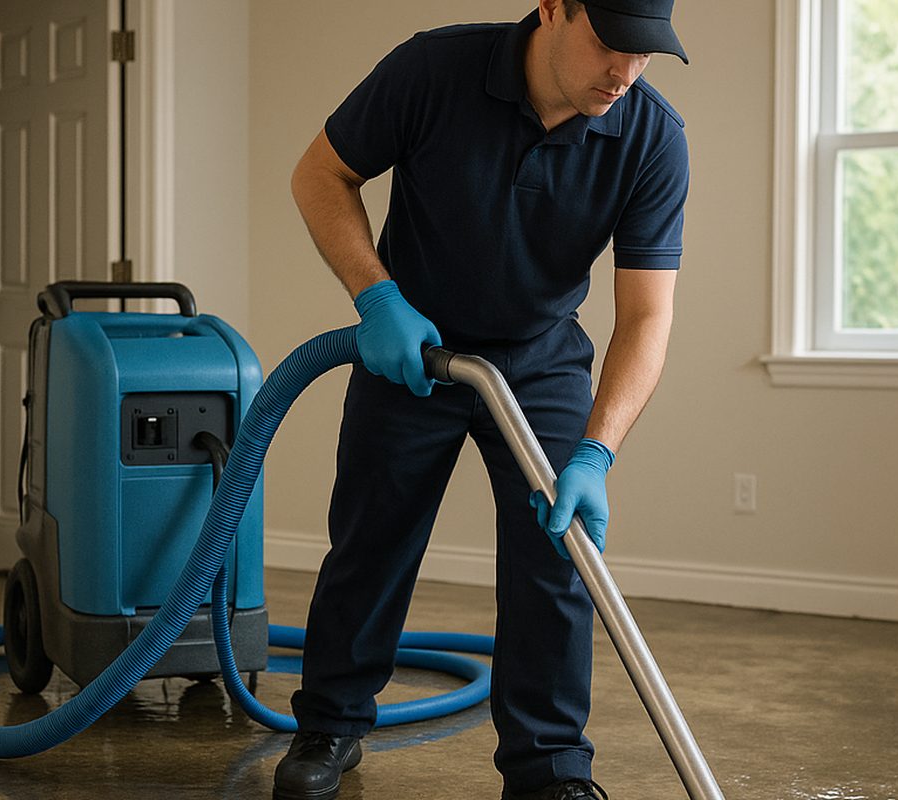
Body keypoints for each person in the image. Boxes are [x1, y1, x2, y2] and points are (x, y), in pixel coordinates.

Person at [275, 1, 689, 798]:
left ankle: (550, 767)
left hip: (540, 363)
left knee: (558, 557)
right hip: (413, 351)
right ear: (554, 8)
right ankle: (329, 724)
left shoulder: (651, 137)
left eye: (646, 57)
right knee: (372, 539)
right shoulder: (435, 70)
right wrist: (377, 297)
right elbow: (319, 173)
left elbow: (646, 317)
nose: (625, 75)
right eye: (611, 46)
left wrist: (598, 452)